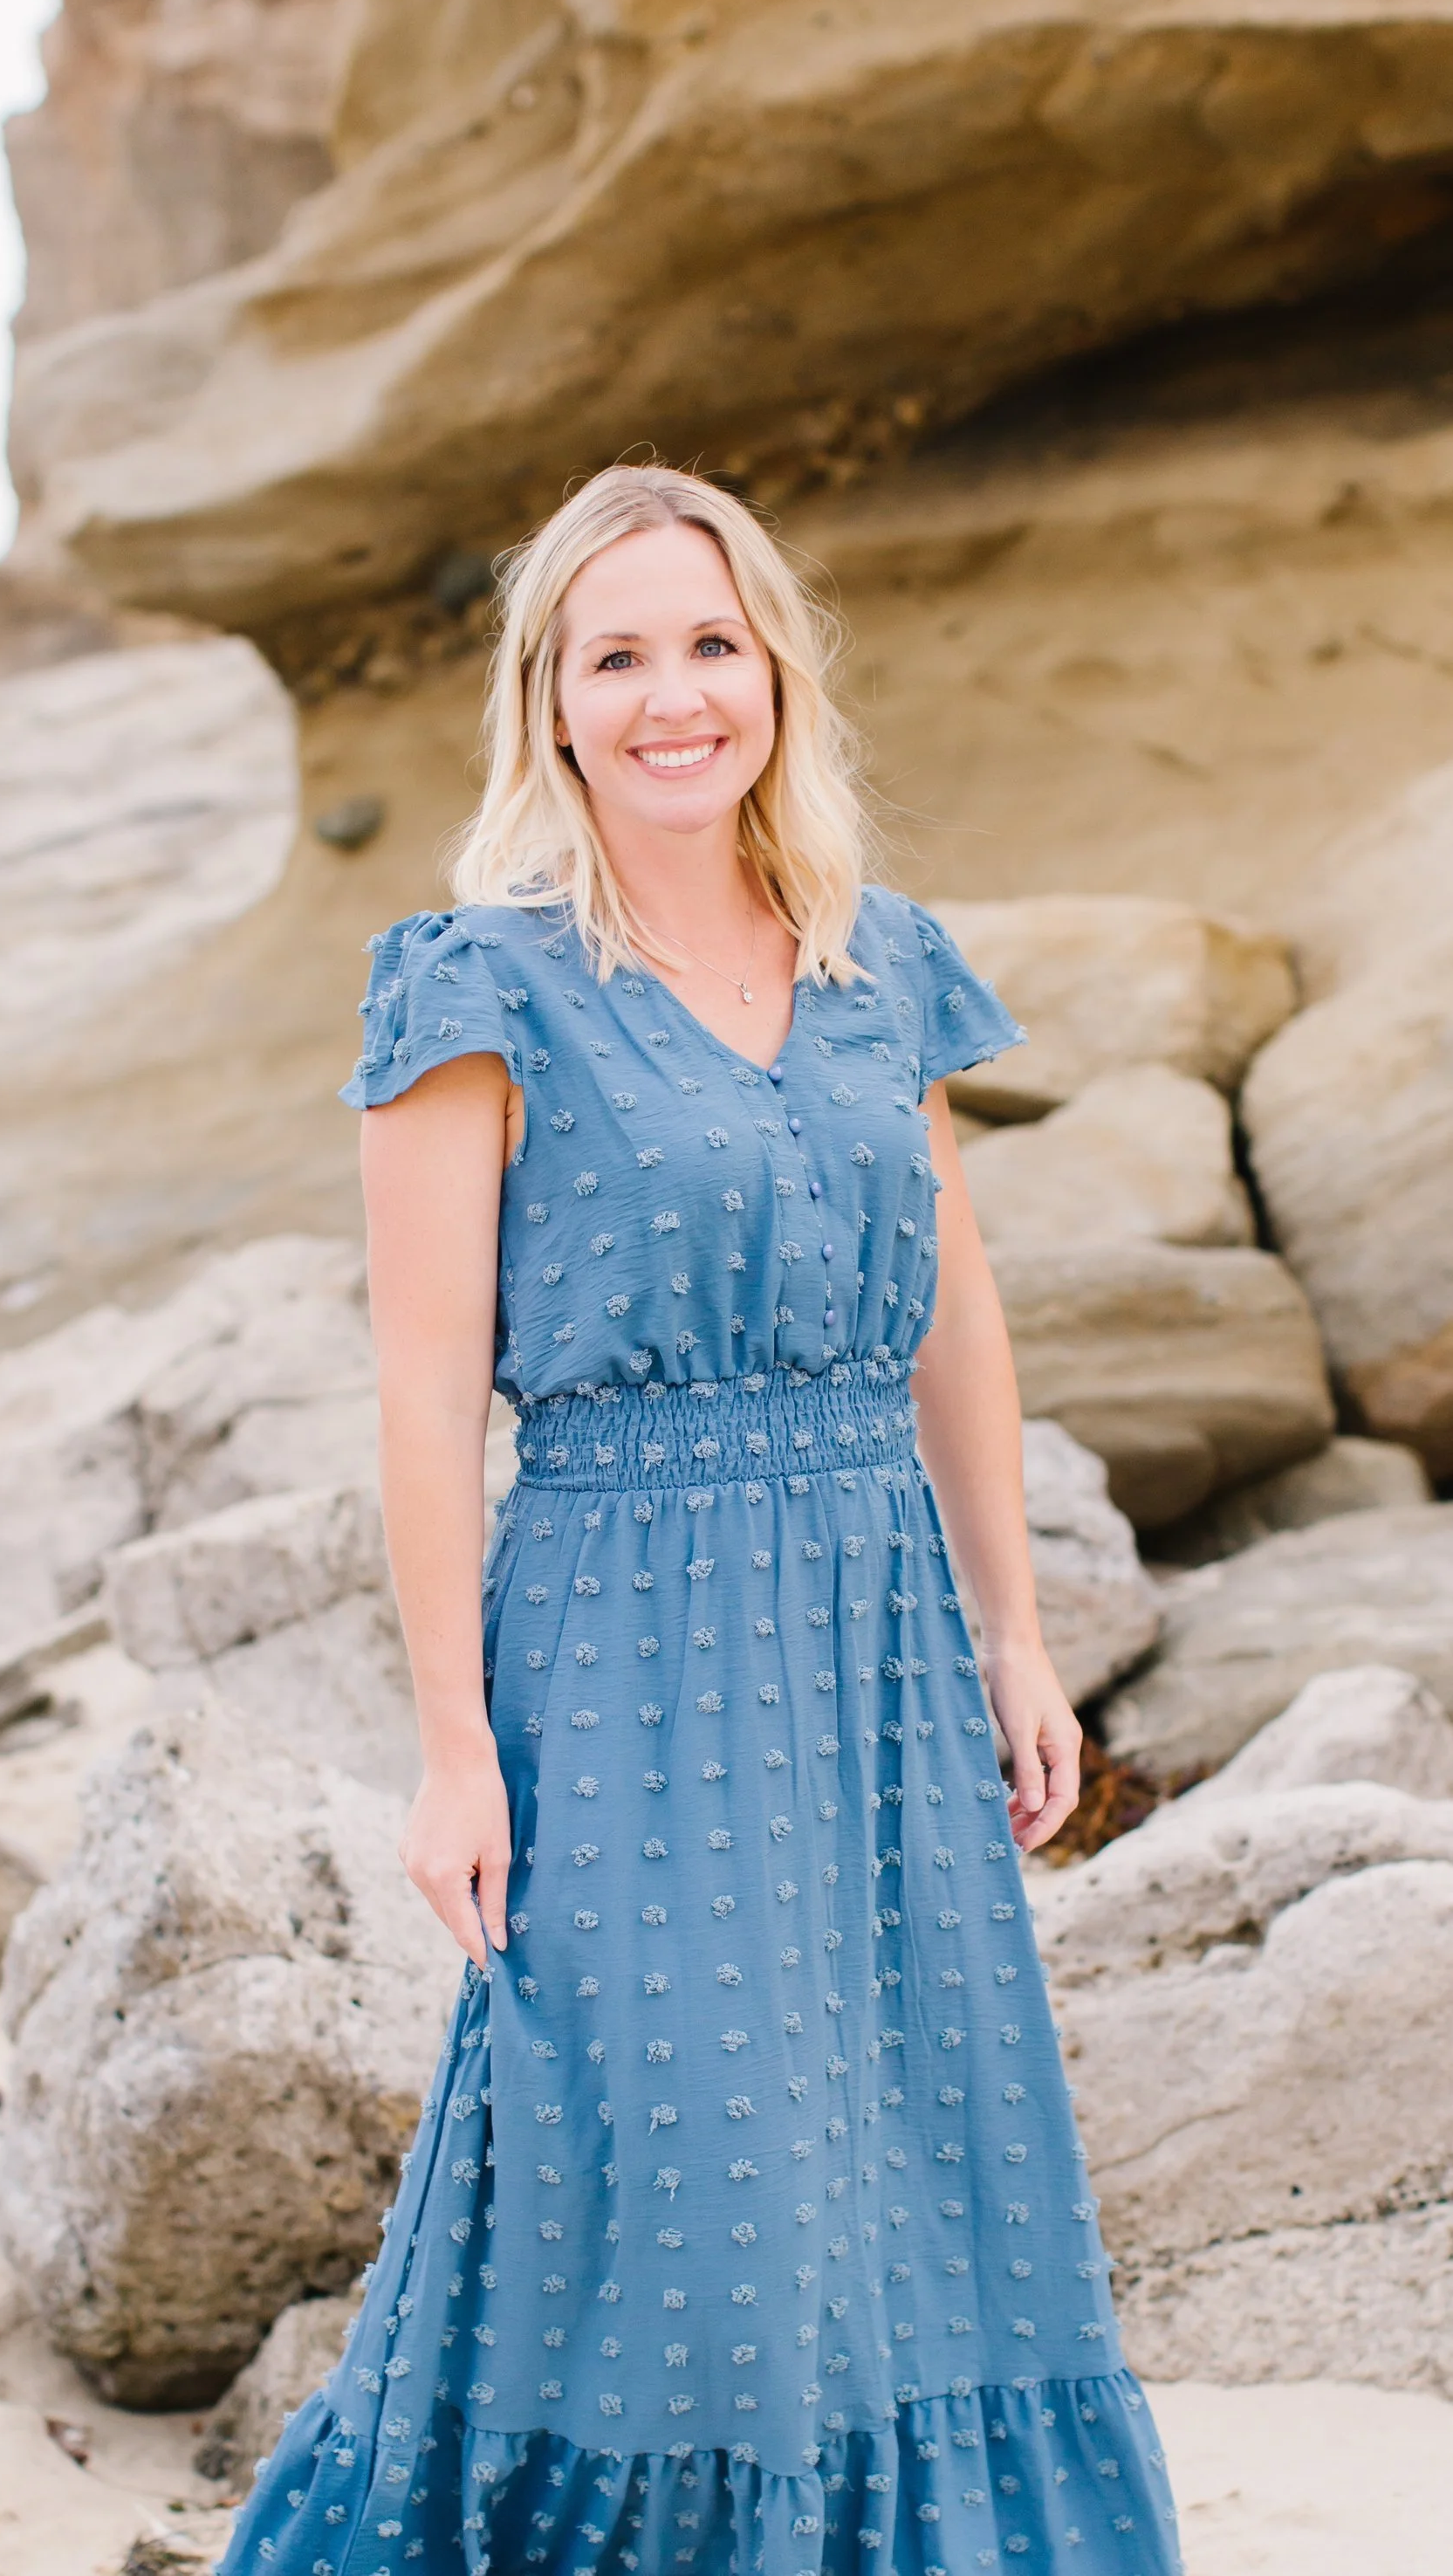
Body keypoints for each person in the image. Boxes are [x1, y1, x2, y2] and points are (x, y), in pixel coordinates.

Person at [217, 464, 1182, 2575]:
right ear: (549, 705)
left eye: (711, 644)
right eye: (617, 655)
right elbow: (417, 1390)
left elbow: (957, 1314)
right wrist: (453, 1741)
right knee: (669, 2175)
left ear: (775, 671)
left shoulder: (880, 964)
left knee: (913, 2155)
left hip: (874, 1629)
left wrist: (1015, 1632)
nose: (673, 696)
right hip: (619, 1640)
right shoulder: (473, 980)